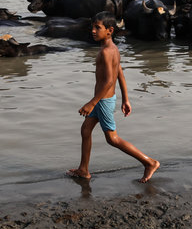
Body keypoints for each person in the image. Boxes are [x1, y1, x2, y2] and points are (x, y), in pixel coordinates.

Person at [67, 11, 160, 183]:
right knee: (85, 130)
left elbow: (109, 81)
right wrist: (126, 98)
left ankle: (149, 162)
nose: (93, 31)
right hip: (102, 100)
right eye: (92, 27)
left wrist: (92, 102)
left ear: (110, 30)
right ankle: (83, 169)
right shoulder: (112, 48)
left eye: (98, 28)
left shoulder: (106, 52)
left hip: (102, 101)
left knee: (112, 139)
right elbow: (120, 74)